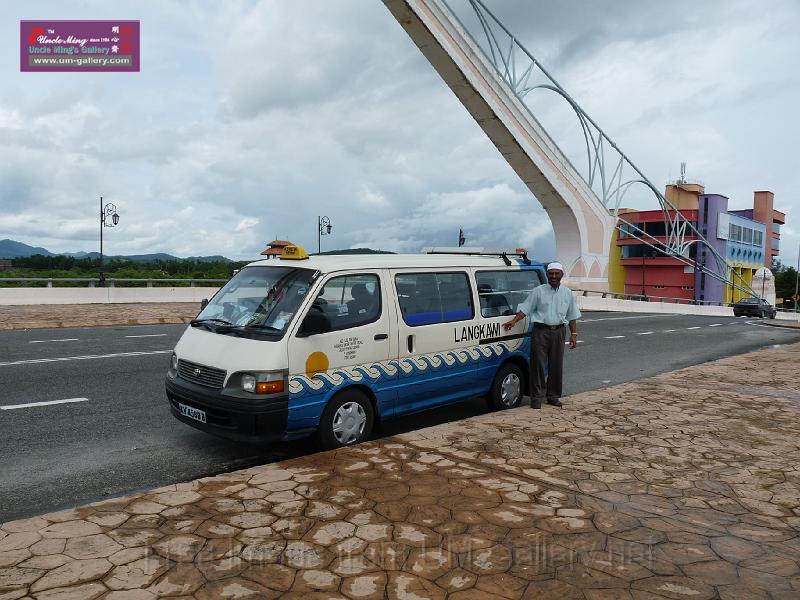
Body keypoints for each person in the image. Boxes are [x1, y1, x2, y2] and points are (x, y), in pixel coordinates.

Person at [503, 262, 580, 409]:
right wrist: (513, 321)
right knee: (537, 365)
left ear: (562, 275)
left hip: (559, 331)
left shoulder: (567, 293)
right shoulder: (538, 291)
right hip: (540, 331)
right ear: (547, 274)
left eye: (557, 274)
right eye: (551, 274)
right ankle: (536, 398)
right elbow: (526, 309)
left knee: (556, 365)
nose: (554, 276)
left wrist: (574, 335)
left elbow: (572, 315)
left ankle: (553, 396)